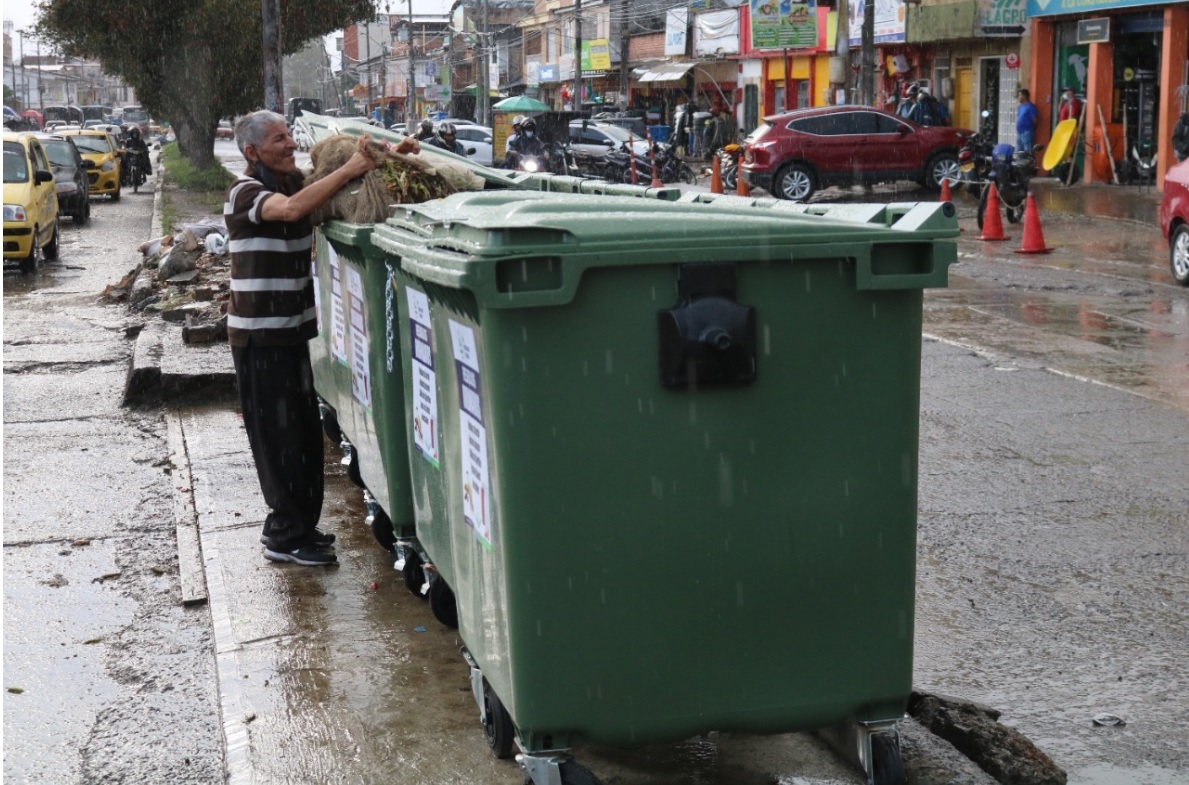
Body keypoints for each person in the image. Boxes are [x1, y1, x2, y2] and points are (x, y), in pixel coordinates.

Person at [225, 110, 420, 566]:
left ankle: (300, 526)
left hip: (292, 332)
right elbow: (293, 210)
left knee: (303, 436)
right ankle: (285, 535)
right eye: (279, 139)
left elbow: (324, 189)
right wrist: (350, 168)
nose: (291, 144)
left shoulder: (291, 183)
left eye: (289, 135)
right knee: (277, 439)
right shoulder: (245, 193)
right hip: (259, 338)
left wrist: (392, 156)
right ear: (252, 152)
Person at [1016, 88, 1038, 153]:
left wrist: (1030, 129)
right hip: (1019, 133)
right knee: (1020, 152)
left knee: (1027, 151)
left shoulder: (1030, 107)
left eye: (1019, 95)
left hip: (1027, 132)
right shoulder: (1020, 107)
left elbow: (1034, 120)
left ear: (1024, 96)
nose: (1018, 97)